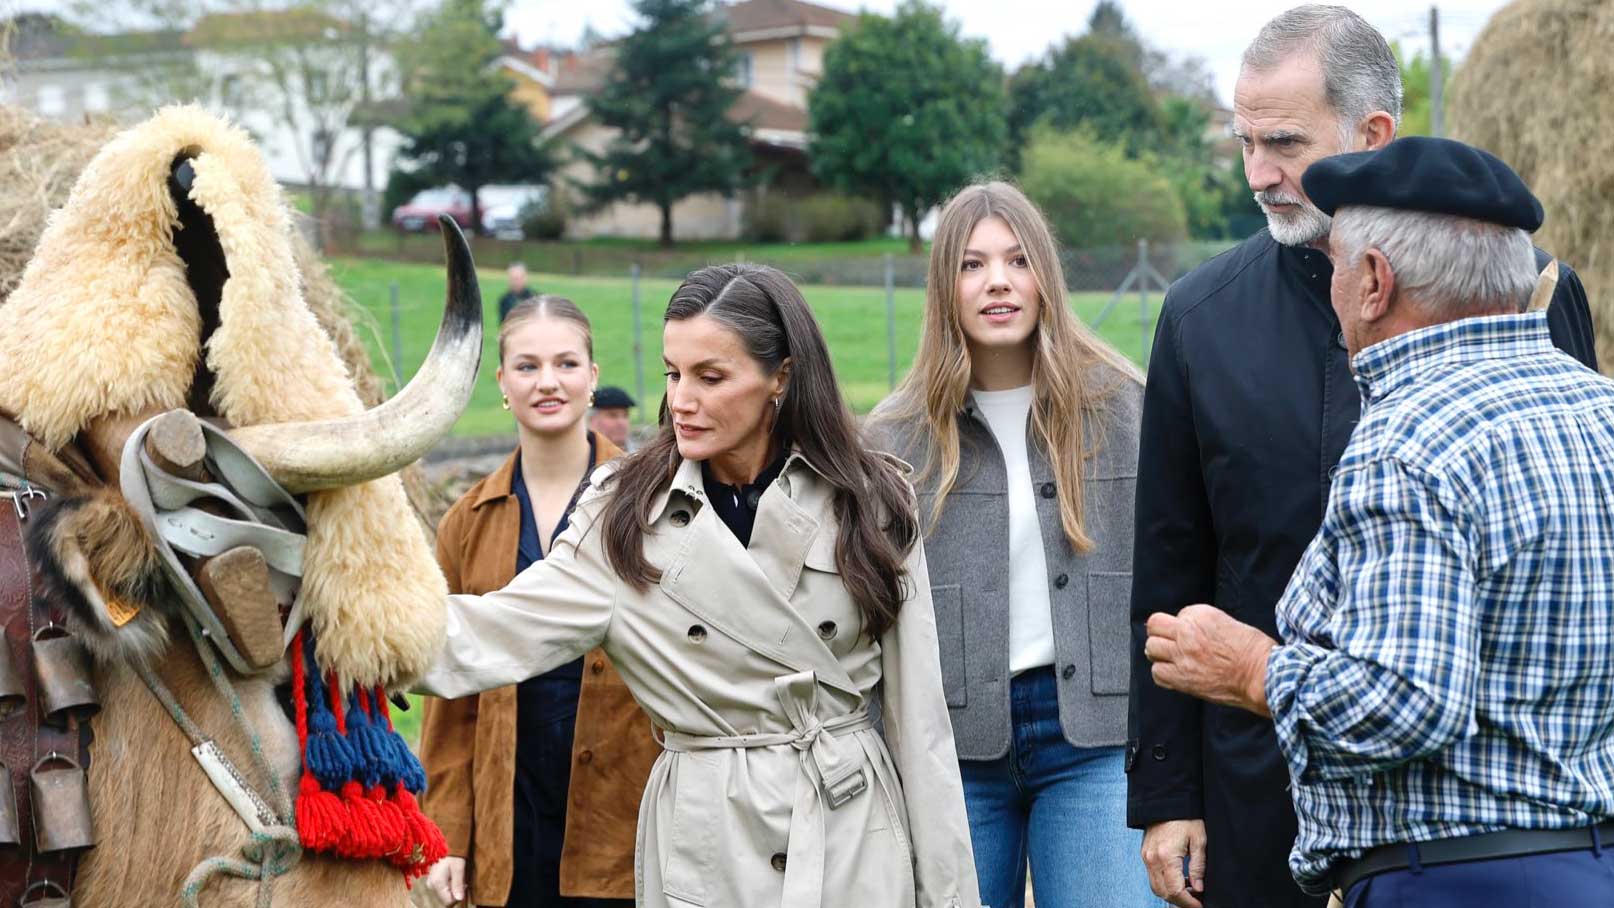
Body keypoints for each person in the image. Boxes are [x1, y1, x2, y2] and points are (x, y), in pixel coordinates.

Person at [1124, 7, 1600, 908]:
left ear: (1372, 134)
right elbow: (1170, 560)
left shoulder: (1532, 292)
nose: (1258, 174)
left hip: (1475, 805)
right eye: (1244, 143)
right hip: (1259, 789)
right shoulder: (1199, 315)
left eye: (1284, 144)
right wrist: (1167, 795)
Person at [415, 264, 982, 908]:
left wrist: (949, 897)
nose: (682, 399)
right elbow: (495, 631)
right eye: (672, 373)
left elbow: (920, 724)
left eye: (710, 378)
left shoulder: (870, 499)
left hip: (848, 832)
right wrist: (353, 624)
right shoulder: (624, 515)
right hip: (709, 844)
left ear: (780, 377)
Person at [868, 182, 1154, 908]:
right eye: (972, 264)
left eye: (1018, 260)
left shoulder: (1127, 407)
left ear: (1045, 276)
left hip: (1100, 743)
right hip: (949, 752)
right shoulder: (891, 439)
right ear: (945, 287)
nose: (998, 281)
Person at [417, 296, 661, 908]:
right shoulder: (466, 522)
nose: (547, 381)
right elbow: (450, 703)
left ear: (592, 377)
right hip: (510, 815)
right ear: (502, 382)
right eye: (527, 366)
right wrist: (448, 832)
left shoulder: (653, 507)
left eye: (566, 364)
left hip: (627, 818)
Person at [588, 386, 635, 452]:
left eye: (625, 415)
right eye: (612, 415)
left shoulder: (640, 454)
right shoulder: (582, 455)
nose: (621, 422)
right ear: (592, 420)